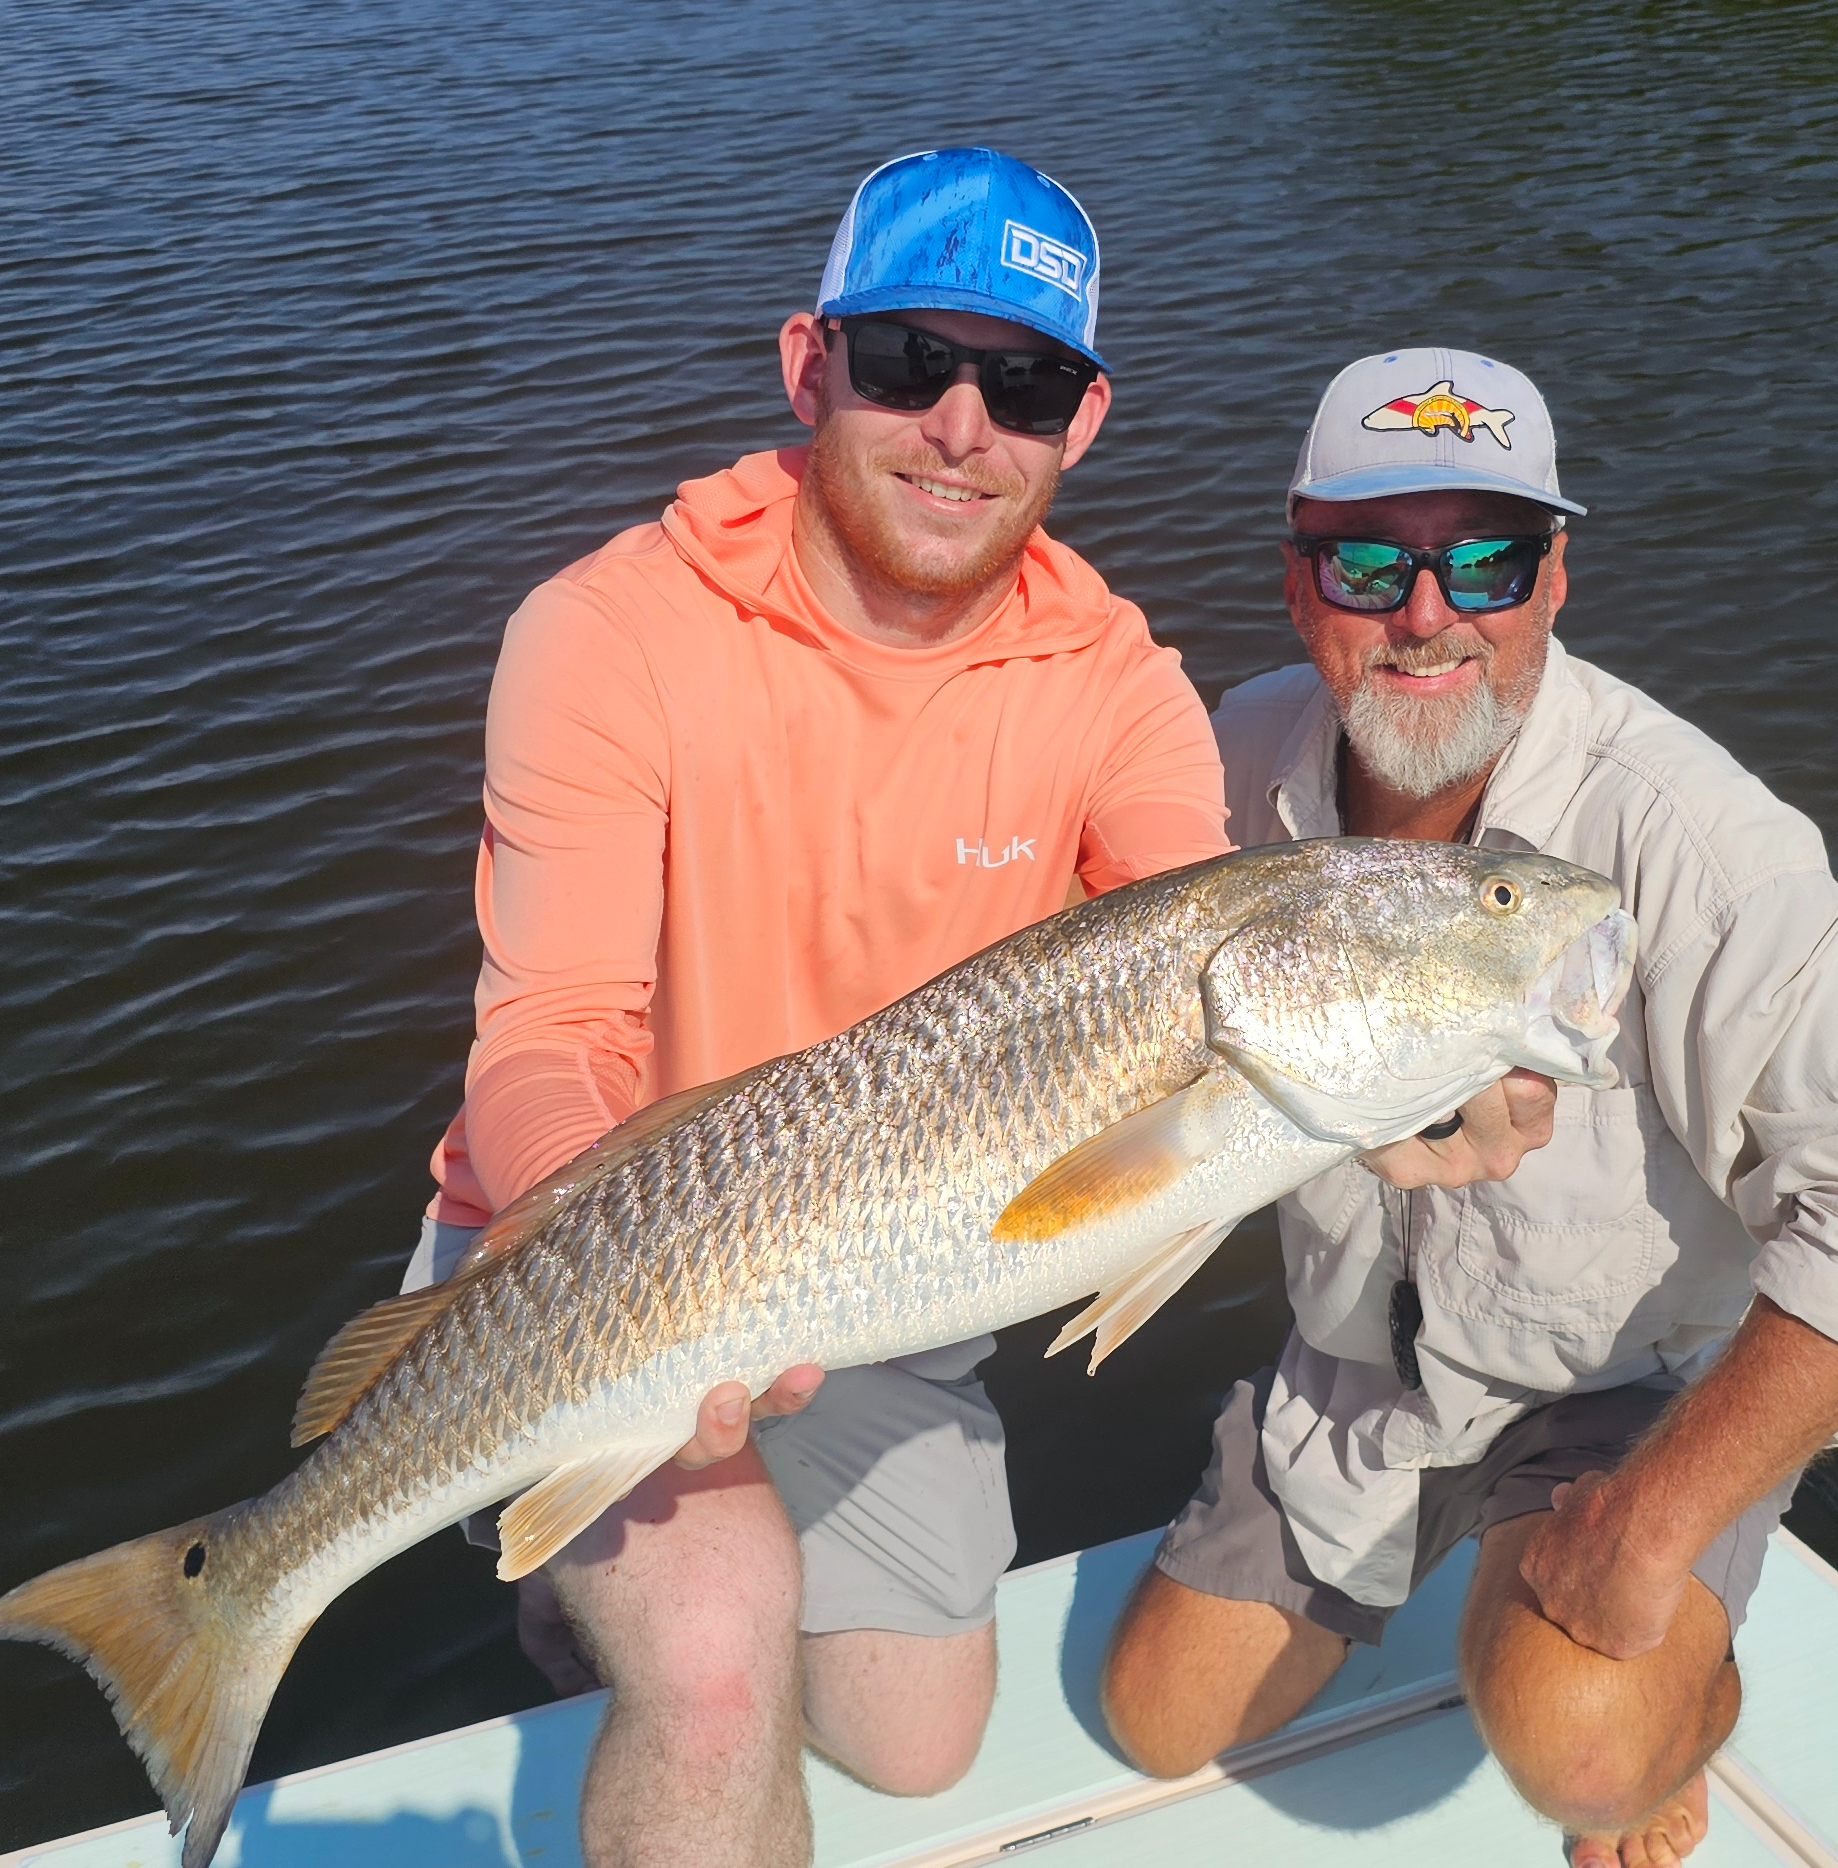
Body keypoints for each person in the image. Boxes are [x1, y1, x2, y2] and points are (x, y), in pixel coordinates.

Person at [406, 147, 1240, 1868]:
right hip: (578, 1245)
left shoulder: (1124, 692)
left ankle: (631, 1576)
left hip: (879, 1277)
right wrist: (625, 1274)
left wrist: (1430, 1090)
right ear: (809, 363)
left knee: (920, 1750)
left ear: (1082, 424)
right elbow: (545, 1033)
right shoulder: (608, 631)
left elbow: (1208, 945)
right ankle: (620, 1603)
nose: (961, 425)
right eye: (906, 361)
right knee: (715, 1674)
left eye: (1024, 382)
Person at [1101, 347, 1838, 1868]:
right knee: (1154, 1722)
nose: (1427, 614)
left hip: (1628, 1396)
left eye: (1485, 558)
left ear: (1556, 577)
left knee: (1583, 1752)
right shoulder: (1219, 773)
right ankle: (1445, 1545)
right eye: (1369, 562)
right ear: (1300, 582)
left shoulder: (1700, 845)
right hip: (1359, 1376)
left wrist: (1650, 1525)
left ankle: (1687, 1691)